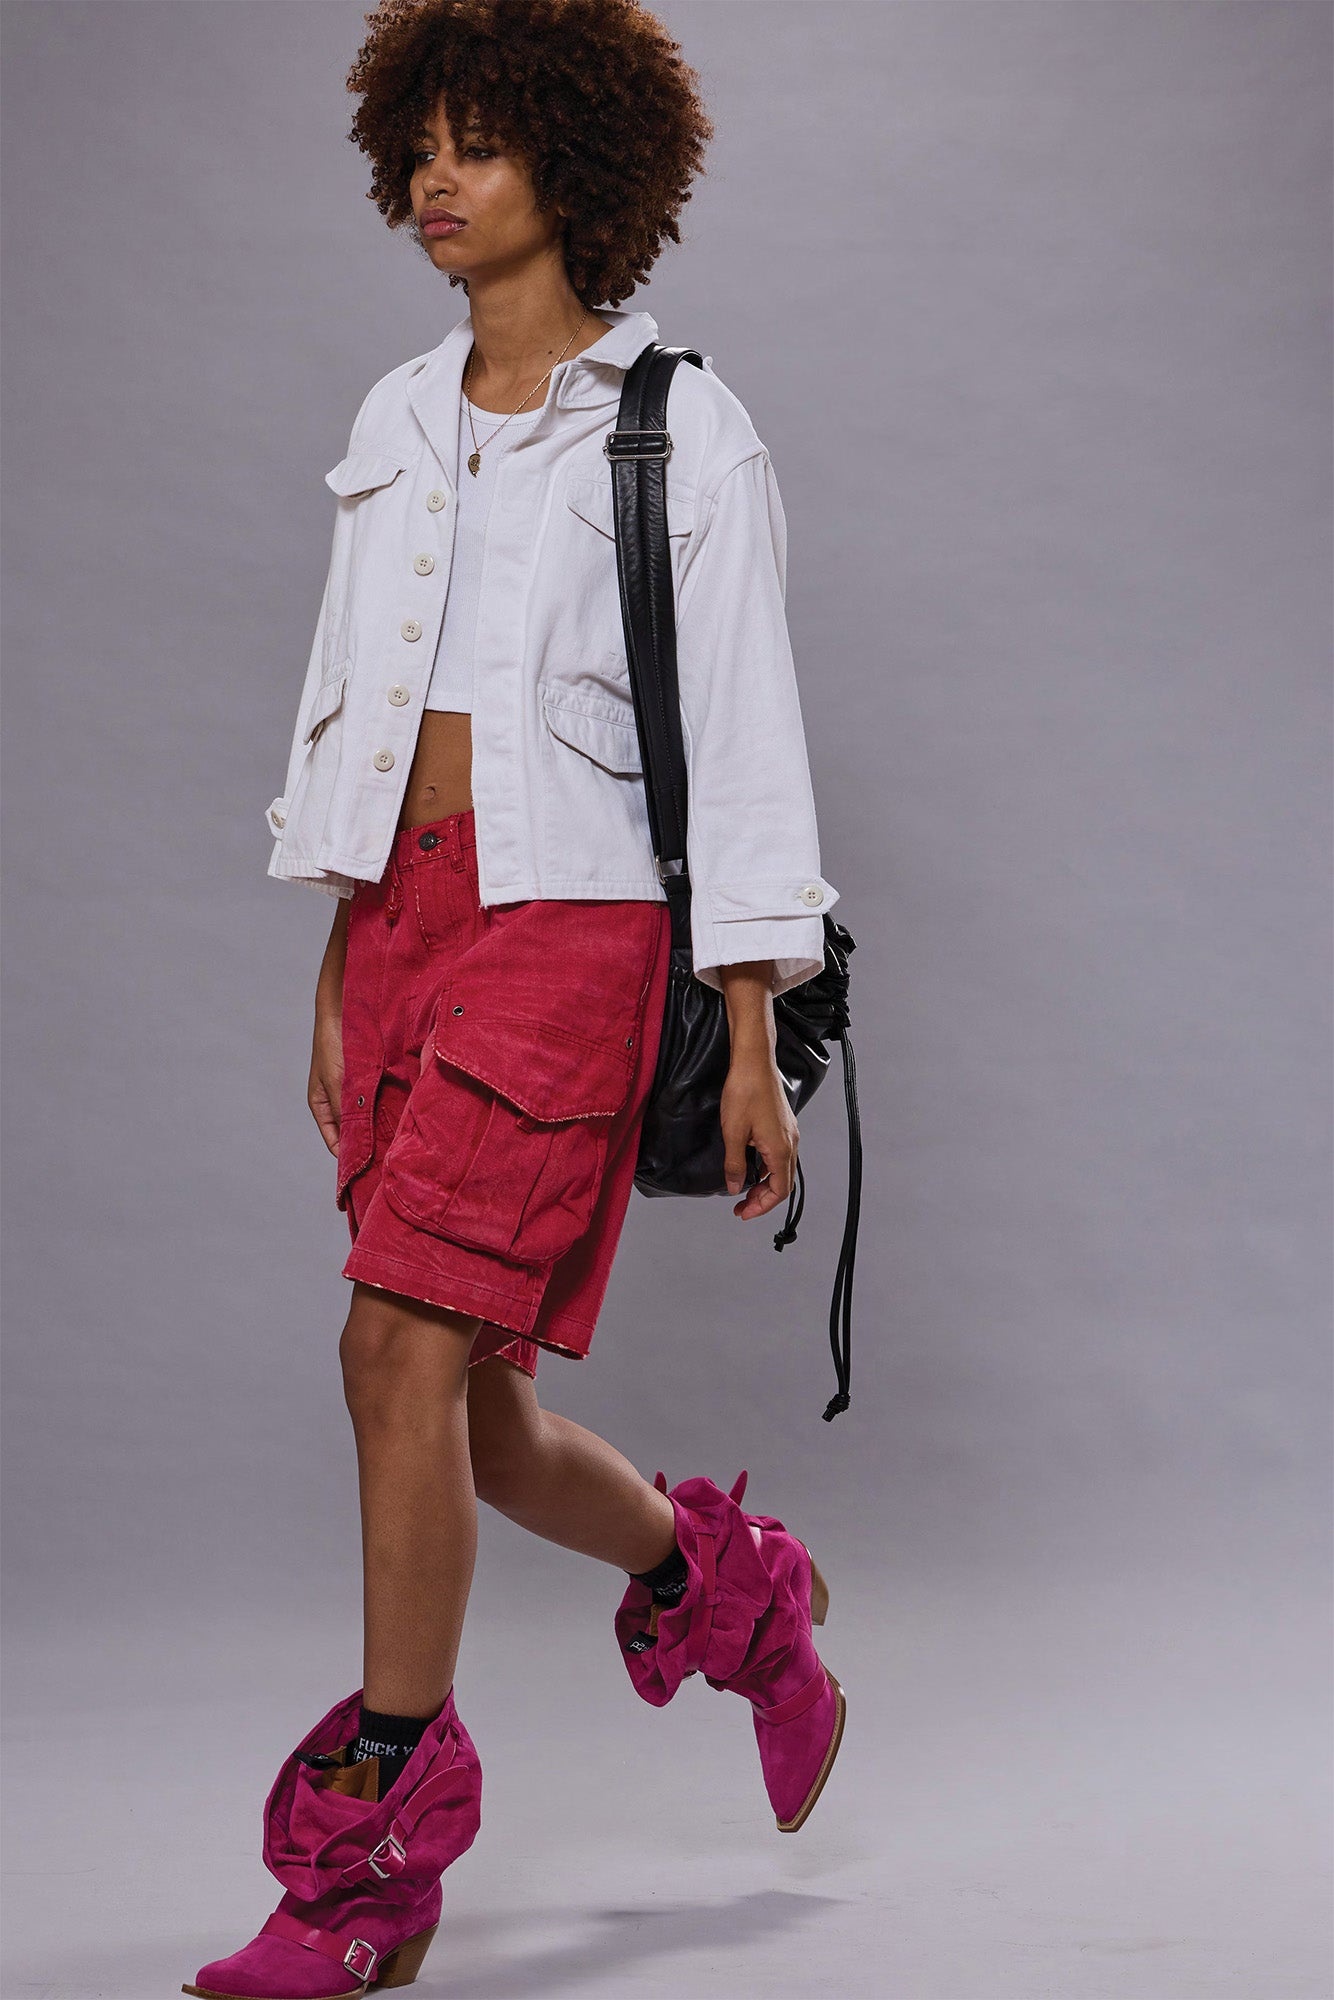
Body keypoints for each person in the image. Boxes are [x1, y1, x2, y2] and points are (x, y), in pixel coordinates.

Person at [185, 4, 844, 1994]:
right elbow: (354, 696)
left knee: (388, 1352)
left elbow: (744, 732)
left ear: (577, 158)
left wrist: (750, 1026)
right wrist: (336, 954)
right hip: (404, 924)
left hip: (574, 926)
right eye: (417, 150)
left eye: (474, 144)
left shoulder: (678, 427)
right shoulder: (398, 414)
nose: (433, 184)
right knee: (470, 1410)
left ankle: (372, 1847)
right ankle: (725, 1585)